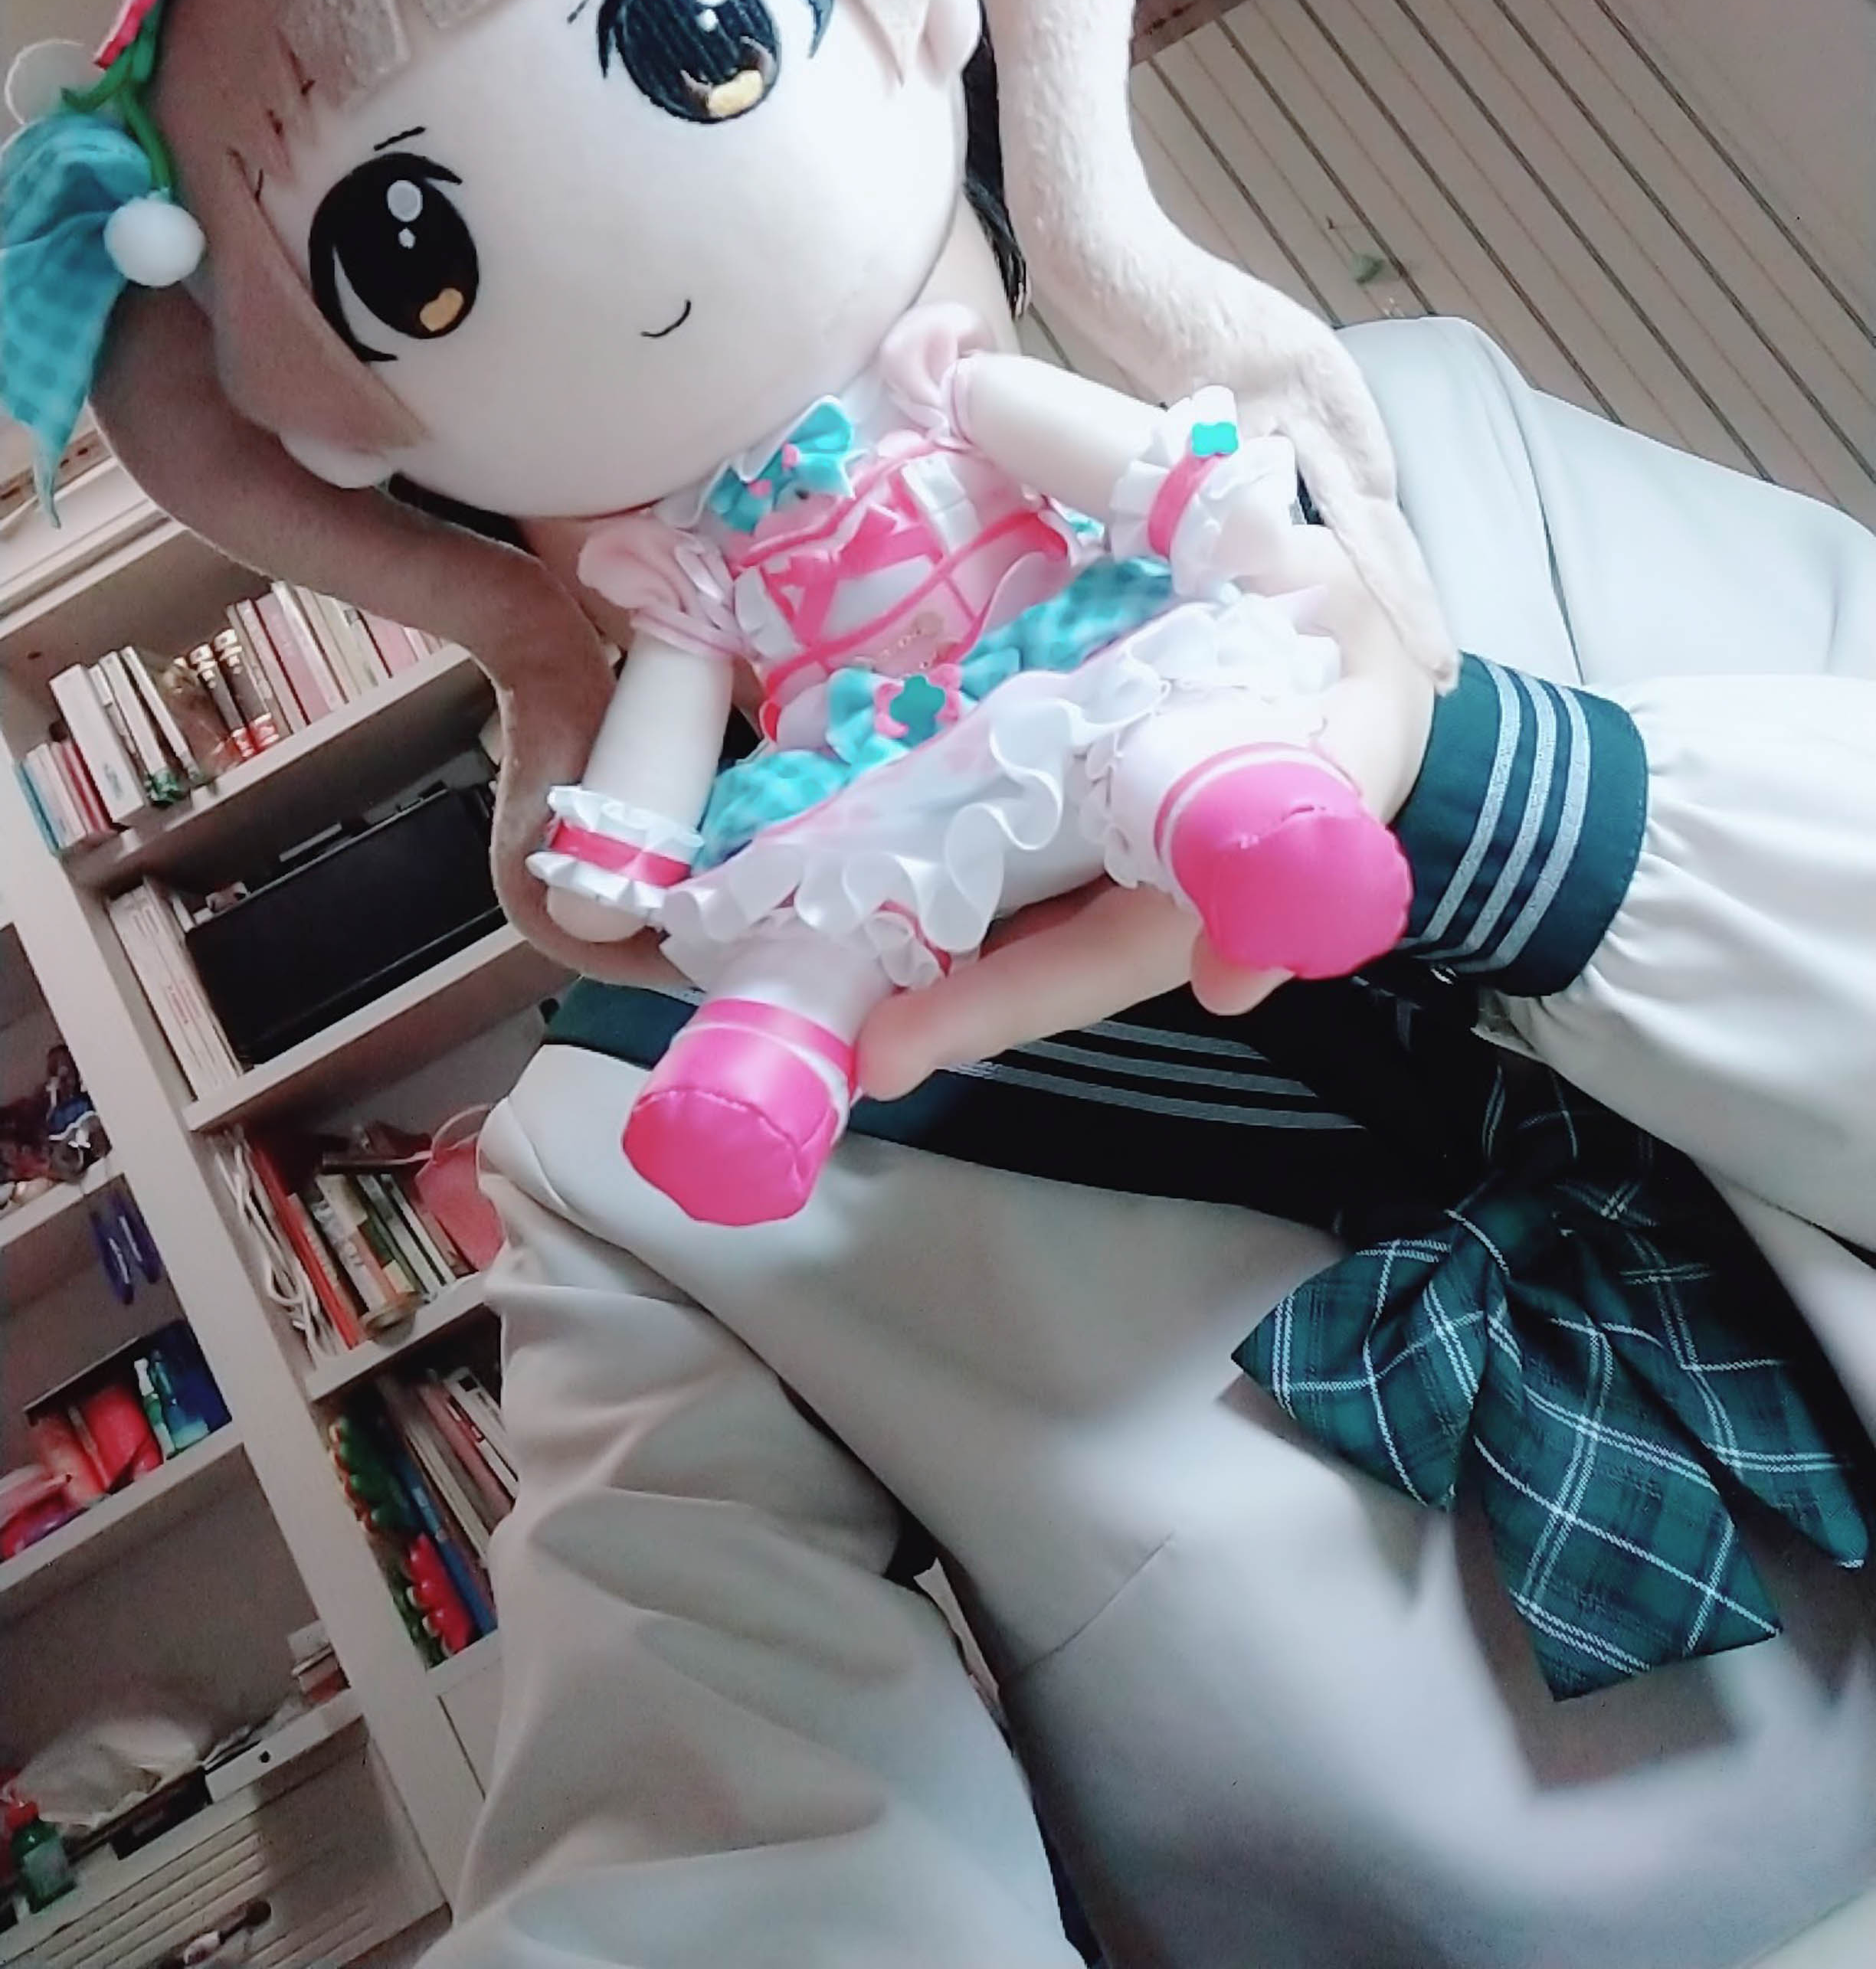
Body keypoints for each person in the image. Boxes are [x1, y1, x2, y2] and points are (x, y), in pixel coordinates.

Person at [417, 313, 1876, 1969]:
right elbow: (712, 1851)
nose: (731, 398)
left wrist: (1477, 786)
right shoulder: (628, 1142)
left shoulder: (1408, 454)